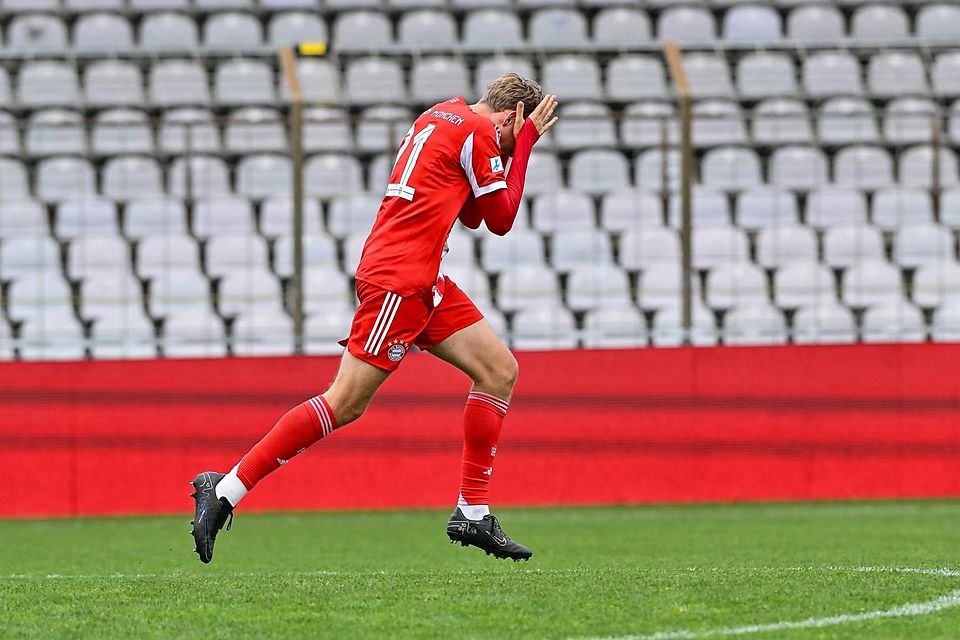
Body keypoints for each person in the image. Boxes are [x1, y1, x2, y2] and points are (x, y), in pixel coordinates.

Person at [190, 74, 559, 564]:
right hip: (400, 282)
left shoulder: (442, 113)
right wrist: (527, 143)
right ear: (510, 116)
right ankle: (225, 490)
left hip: (423, 278)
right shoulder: (479, 132)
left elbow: (470, 213)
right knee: (344, 403)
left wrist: (511, 146)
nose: (511, 144)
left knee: (499, 371)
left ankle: (472, 510)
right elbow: (501, 219)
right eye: (515, 131)